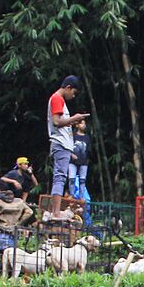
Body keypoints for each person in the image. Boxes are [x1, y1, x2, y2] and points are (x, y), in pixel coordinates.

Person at [46, 75, 90, 218]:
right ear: (68, 88)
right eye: (74, 92)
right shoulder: (57, 98)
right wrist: (75, 118)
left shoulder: (60, 100)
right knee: (60, 177)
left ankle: (56, 211)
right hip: (60, 143)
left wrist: (71, 121)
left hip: (64, 145)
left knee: (61, 177)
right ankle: (56, 212)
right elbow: (57, 121)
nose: (73, 96)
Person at [68, 118, 92, 203]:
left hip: (84, 162)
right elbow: (68, 147)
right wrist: (71, 154)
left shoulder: (87, 137)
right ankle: (71, 194)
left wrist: (87, 160)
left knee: (82, 180)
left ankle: (81, 196)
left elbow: (89, 150)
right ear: (77, 125)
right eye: (82, 124)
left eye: (84, 124)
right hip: (72, 161)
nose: (84, 125)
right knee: (71, 179)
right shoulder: (73, 135)